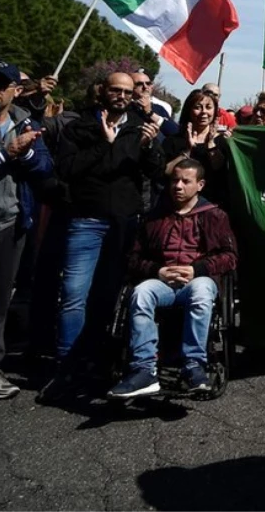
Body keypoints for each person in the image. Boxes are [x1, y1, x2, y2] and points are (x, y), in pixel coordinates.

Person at [39, 72, 166, 404]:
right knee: (73, 295)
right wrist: (104, 145)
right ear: (103, 92)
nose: (123, 95)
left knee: (107, 296)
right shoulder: (79, 127)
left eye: (128, 91)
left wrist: (149, 147)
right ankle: (67, 368)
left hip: (123, 222)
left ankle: (96, 359)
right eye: (117, 90)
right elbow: (67, 169)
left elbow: (155, 171)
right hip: (85, 220)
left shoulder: (140, 126)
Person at [108, 159, 237, 398]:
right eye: (174, 180)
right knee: (141, 293)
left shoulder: (214, 215)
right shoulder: (155, 217)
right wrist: (157, 270)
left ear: (200, 185)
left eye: (185, 181)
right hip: (163, 280)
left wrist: (196, 269)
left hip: (197, 279)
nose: (178, 186)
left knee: (201, 292)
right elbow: (133, 258)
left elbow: (229, 257)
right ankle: (143, 370)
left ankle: (193, 365)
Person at [0, 62, 53, 400]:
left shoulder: (26, 124)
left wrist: (27, 155)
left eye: (1, 84)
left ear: (15, 91)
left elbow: (45, 167)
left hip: (10, 224)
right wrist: (3, 154)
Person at [163, 89, 230, 205]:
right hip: (177, 205)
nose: (203, 112)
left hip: (211, 205)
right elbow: (166, 171)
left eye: (208, 107)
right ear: (189, 110)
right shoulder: (173, 140)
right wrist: (188, 150)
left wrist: (211, 145)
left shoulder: (223, 141)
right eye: (198, 107)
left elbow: (220, 169)